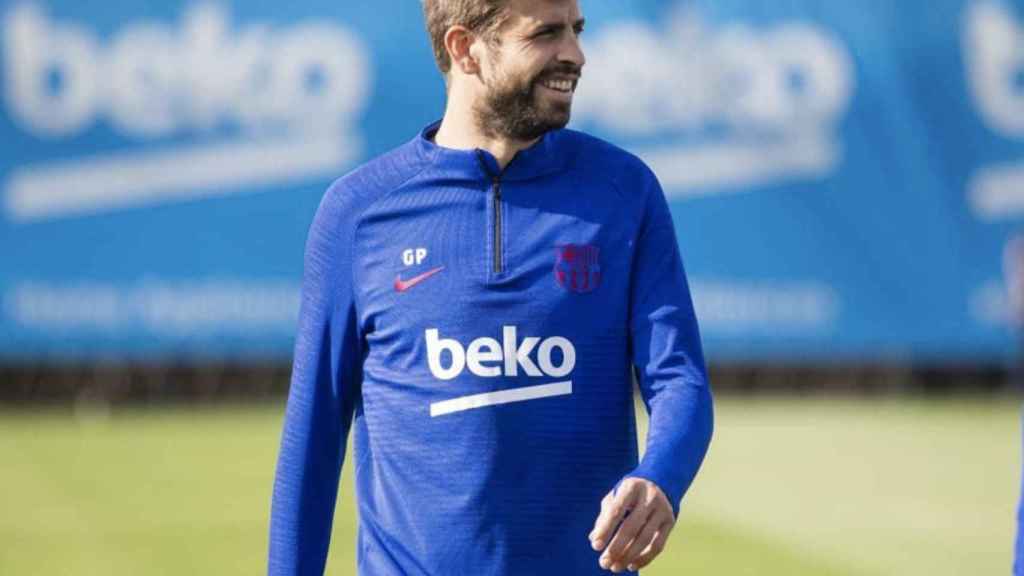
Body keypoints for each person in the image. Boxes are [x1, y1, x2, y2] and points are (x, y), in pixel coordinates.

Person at [268, 0, 713, 574]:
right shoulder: (358, 212)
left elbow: (679, 379)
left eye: (577, 31)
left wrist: (662, 479)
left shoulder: (625, 192)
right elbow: (313, 435)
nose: (574, 54)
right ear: (464, 47)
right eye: (545, 34)